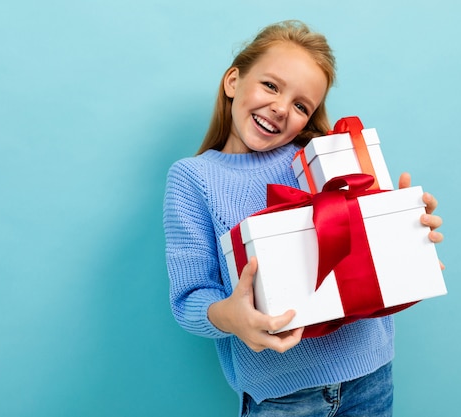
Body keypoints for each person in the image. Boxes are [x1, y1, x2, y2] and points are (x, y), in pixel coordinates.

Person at [163, 20, 444, 417]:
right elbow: (189, 298)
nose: (281, 108)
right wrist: (233, 317)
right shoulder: (193, 178)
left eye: (301, 106)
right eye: (271, 86)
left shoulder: (324, 155)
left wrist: (407, 232)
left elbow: (366, 253)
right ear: (232, 81)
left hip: (371, 375)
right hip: (281, 397)